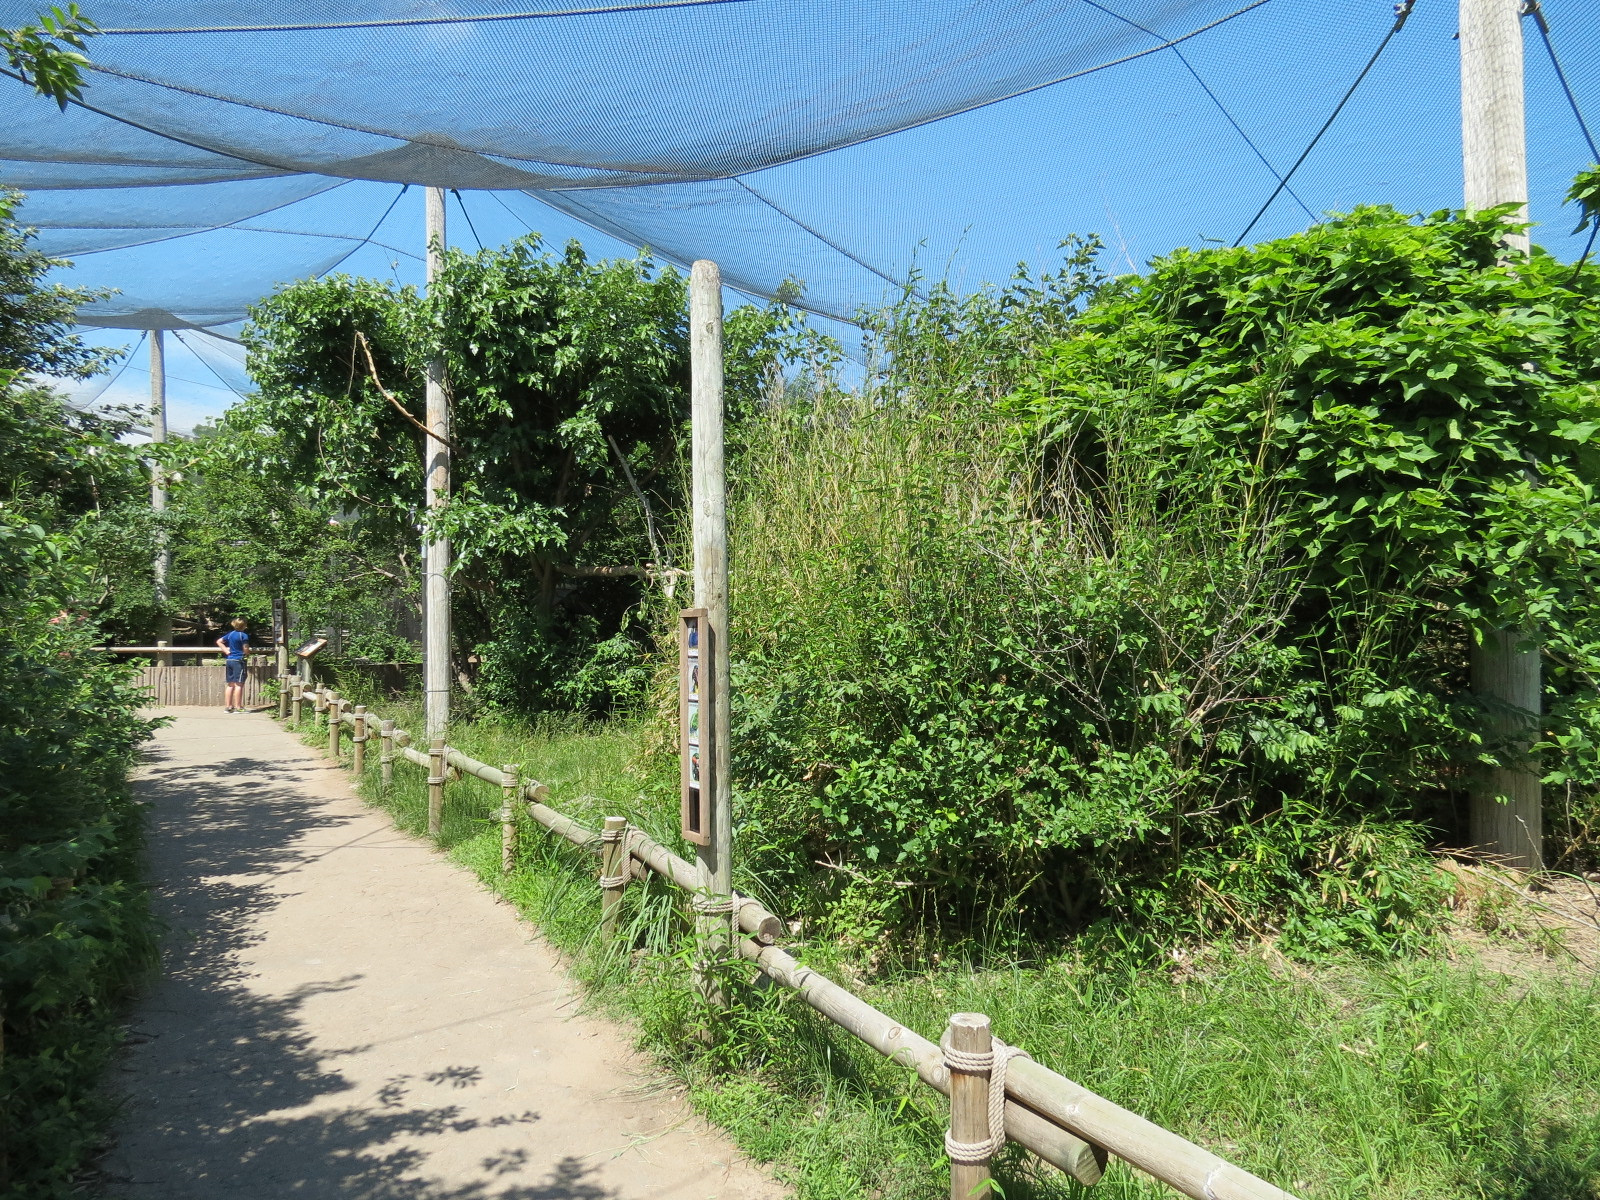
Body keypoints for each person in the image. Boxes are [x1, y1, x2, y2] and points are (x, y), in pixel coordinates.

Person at [215, 618, 252, 713]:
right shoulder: (243, 636)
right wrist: (248, 653)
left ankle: (228, 707)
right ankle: (238, 707)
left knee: (230, 684)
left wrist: (226, 651)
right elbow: (245, 648)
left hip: (230, 659)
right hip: (239, 660)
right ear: (244, 626)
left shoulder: (230, 634)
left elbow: (219, 641)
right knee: (239, 683)